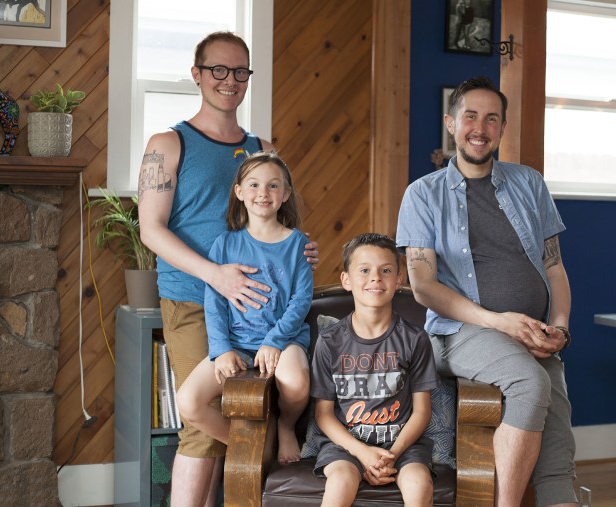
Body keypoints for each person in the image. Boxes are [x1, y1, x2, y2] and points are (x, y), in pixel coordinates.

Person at [138, 31, 318, 507]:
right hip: (196, 297)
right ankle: (253, 454)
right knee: (203, 424)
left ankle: (256, 458)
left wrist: (302, 252)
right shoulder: (168, 143)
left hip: (263, 307)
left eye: (240, 71)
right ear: (197, 74)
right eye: (218, 69)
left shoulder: (263, 146)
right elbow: (151, 231)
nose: (230, 80)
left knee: (252, 408)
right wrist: (216, 275)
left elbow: (281, 217)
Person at [395, 76, 577, 507]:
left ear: (502, 128)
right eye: (470, 116)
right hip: (459, 333)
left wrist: (560, 327)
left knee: (558, 428)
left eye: (492, 118)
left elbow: (555, 267)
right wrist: (499, 322)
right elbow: (423, 286)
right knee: (531, 386)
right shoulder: (422, 194)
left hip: (531, 333)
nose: (481, 127)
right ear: (451, 123)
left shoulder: (529, 183)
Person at [176, 152, 312, 466]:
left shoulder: (298, 244)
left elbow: (301, 301)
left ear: (285, 194)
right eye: (253, 184)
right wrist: (222, 348)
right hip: (235, 342)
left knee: (296, 381)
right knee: (188, 401)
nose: (263, 193)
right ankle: (252, 443)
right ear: (239, 192)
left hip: (284, 339)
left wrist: (275, 341)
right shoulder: (224, 245)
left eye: (273, 185)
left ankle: (285, 426)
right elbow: (214, 302)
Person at [309, 233, 440, 507]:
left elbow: (422, 411)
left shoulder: (415, 339)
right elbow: (323, 413)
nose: (376, 278)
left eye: (386, 270)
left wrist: (389, 455)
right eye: (364, 270)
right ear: (347, 280)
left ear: (399, 278)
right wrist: (364, 453)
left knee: (419, 484)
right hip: (346, 446)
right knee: (341, 482)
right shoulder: (330, 340)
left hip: (402, 446)